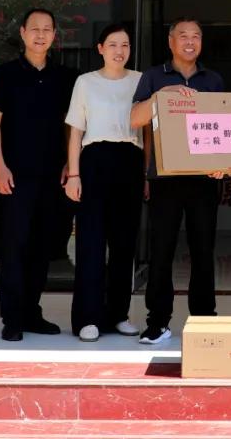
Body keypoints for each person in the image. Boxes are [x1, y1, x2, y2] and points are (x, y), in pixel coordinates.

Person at [130, 17, 225, 345]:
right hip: (165, 179)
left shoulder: (213, 80)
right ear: (171, 41)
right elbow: (135, 119)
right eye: (183, 35)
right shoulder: (154, 77)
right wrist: (163, 95)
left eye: (196, 36)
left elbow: (224, 127)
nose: (190, 41)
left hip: (204, 180)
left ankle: (204, 320)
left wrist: (223, 165)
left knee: (203, 251)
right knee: (161, 251)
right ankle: (157, 322)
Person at [0, 8, 76, 342]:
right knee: (13, 246)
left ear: (54, 35)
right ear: (22, 32)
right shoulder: (6, 74)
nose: (40, 35)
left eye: (47, 29)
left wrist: (70, 163)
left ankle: (31, 312)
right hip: (15, 175)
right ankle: (12, 317)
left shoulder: (65, 76)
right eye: (34, 29)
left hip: (52, 175)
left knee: (41, 246)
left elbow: (70, 125)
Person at [64, 23, 144, 342]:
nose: (119, 51)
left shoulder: (140, 80)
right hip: (95, 160)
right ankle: (88, 317)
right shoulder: (86, 82)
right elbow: (76, 132)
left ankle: (118, 314)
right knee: (91, 242)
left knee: (124, 243)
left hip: (131, 160)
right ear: (100, 48)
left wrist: (147, 173)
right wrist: (73, 175)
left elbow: (148, 132)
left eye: (125, 45)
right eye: (112, 44)